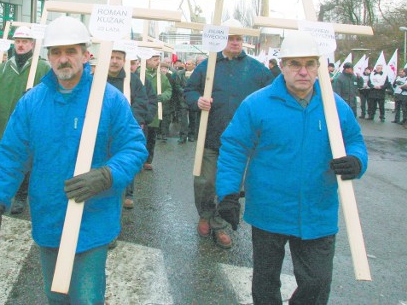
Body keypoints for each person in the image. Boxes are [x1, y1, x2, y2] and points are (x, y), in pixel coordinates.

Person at [0, 16, 147, 304]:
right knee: (56, 296)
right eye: (56, 52)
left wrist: (107, 174)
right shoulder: (32, 102)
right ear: (48, 57)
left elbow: (134, 147)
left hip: (92, 217)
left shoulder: (109, 99)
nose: (63, 59)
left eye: (71, 51)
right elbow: (10, 156)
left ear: (86, 55)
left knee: (86, 297)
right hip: (50, 216)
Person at [216, 31, 367, 305]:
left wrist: (356, 160)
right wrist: (227, 193)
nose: (303, 71)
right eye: (295, 64)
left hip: (317, 211)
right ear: (282, 66)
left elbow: (354, 140)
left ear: (318, 68)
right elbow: (234, 147)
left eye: (310, 64)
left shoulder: (334, 107)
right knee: (265, 280)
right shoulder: (257, 104)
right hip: (269, 210)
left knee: (317, 283)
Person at [183, 18, 273, 248]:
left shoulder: (257, 70)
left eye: (239, 39)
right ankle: (205, 214)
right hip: (211, 136)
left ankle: (220, 223)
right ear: (222, 40)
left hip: (242, 142)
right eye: (230, 38)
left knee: (231, 185)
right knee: (205, 182)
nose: (235, 43)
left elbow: (273, 95)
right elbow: (189, 91)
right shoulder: (208, 66)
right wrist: (198, 101)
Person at [0, 26, 51, 214]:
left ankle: (21, 196)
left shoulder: (42, 67)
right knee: (8, 159)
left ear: (32, 44)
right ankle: (5, 194)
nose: (21, 45)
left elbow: (53, 91)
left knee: (28, 160)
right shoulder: (2, 68)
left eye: (25, 42)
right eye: (18, 41)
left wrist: (36, 94)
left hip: (32, 125)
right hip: (6, 122)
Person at [107, 44, 150, 209]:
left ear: (124, 60)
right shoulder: (96, 78)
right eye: (111, 57)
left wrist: (131, 120)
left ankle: (128, 193)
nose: (114, 61)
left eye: (118, 58)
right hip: (103, 127)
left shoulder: (132, 80)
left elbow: (141, 102)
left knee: (126, 159)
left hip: (125, 127)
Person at [144, 52, 172, 170]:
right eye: (155, 59)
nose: (158, 62)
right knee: (140, 137)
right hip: (142, 110)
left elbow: (169, 90)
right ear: (147, 60)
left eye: (158, 60)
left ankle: (148, 160)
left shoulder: (161, 76)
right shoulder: (139, 73)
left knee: (151, 137)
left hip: (155, 112)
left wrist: (163, 97)